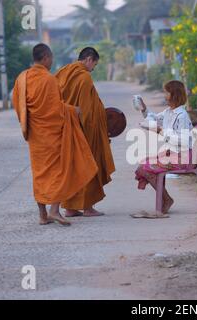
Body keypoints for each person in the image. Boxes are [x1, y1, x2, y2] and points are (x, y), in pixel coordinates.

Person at [12, 44, 98, 226]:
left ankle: (43, 215)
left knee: (39, 175)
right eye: (50, 58)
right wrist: (73, 110)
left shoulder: (22, 78)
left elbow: (18, 105)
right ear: (45, 58)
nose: (52, 62)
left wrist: (28, 124)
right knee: (59, 172)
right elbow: (56, 109)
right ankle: (54, 210)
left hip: (35, 137)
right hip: (51, 136)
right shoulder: (48, 80)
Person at [55, 47, 116, 218]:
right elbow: (86, 112)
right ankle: (87, 207)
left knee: (71, 168)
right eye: (94, 65)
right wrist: (96, 132)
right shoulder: (84, 77)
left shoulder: (63, 71)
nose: (93, 69)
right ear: (89, 59)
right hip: (83, 130)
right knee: (88, 165)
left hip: (66, 128)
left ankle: (70, 208)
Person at [132, 80, 194, 219]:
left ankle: (166, 200)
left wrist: (161, 131)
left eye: (166, 92)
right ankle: (166, 199)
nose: (164, 95)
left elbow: (183, 141)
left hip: (182, 156)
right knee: (143, 166)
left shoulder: (181, 115)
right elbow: (154, 118)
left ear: (174, 95)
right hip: (172, 154)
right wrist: (143, 109)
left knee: (148, 167)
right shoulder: (169, 112)